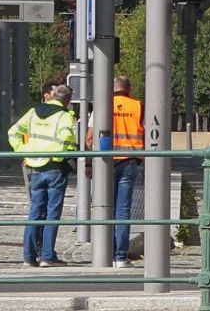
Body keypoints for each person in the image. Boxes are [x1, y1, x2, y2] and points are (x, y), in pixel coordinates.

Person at [8, 82, 77, 267]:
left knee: (35, 212)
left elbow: (13, 131)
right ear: (67, 100)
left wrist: (23, 150)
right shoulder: (64, 116)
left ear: (53, 96)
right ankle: (47, 256)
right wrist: (60, 155)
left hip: (35, 166)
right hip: (54, 167)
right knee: (52, 213)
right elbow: (66, 137)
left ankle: (29, 257)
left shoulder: (33, 112)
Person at [89, 76, 145, 268]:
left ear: (112, 88)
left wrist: (89, 163)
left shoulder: (102, 106)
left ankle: (105, 253)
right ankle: (120, 257)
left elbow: (89, 138)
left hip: (105, 163)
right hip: (129, 161)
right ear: (129, 89)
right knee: (123, 209)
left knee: (105, 207)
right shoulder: (138, 106)